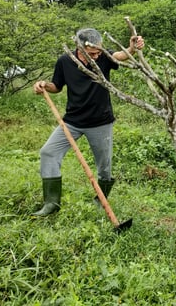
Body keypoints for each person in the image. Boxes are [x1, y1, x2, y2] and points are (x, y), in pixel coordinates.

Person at [32, 28, 144, 217]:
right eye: (92, 53)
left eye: (99, 51)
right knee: (48, 152)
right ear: (79, 47)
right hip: (72, 121)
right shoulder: (65, 61)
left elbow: (119, 55)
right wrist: (43, 85)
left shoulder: (103, 56)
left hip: (100, 122)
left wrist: (131, 48)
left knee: (104, 166)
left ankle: (101, 200)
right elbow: (56, 86)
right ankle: (51, 203)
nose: (97, 55)